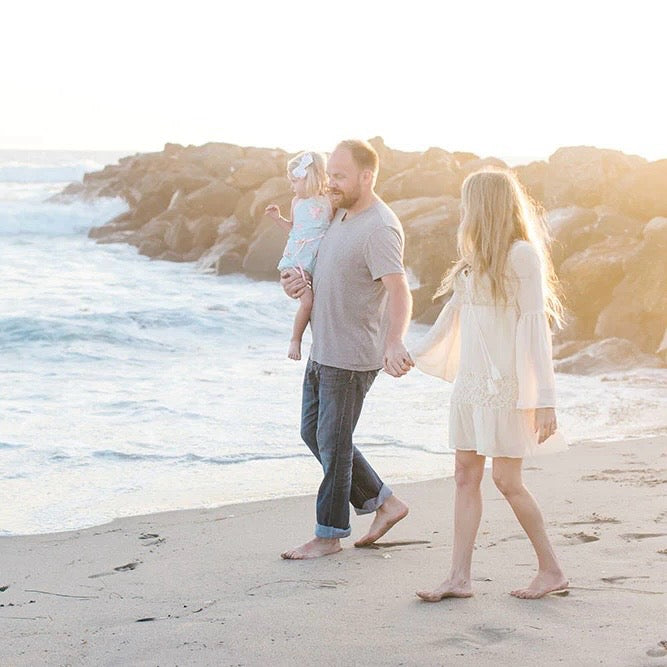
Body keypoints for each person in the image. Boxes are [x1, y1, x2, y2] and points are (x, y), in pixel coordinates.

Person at [412, 168, 569, 600]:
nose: (463, 212)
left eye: (468, 203)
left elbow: (536, 330)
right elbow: (452, 319)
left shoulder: (522, 256)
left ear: (484, 205)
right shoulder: (472, 261)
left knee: (507, 480)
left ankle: (551, 570)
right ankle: (459, 578)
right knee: (465, 474)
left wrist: (545, 400)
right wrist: (413, 352)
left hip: (508, 387)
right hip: (471, 385)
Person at [279, 139, 414, 560]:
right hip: (325, 347)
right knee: (314, 433)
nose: (331, 183)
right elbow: (315, 254)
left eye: (340, 176)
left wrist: (394, 342)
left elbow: (400, 291)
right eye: (330, 174)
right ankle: (385, 503)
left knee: (334, 445)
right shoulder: (337, 212)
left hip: (352, 355)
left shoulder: (380, 227)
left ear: (366, 176)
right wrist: (295, 284)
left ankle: (329, 534)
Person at [265, 151, 332, 360]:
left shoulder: (329, 201)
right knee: (307, 302)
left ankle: (319, 342)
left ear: (309, 177)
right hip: (295, 260)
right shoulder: (296, 202)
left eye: (294, 181)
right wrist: (277, 219)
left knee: (315, 302)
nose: (292, 186)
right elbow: (294, 229)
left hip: (312, 263)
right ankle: (296, 340)